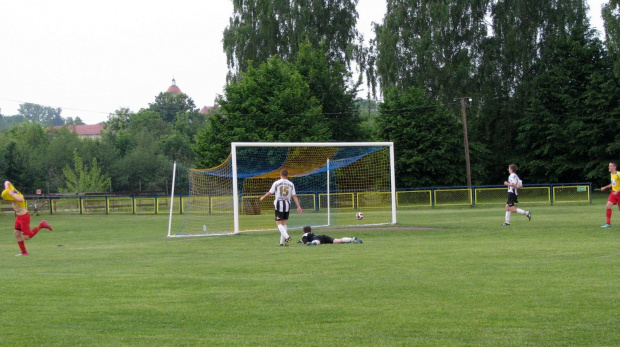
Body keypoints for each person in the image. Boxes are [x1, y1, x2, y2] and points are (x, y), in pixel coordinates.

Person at [2, 181, 52, 256]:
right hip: (19, 216)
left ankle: (41, 225)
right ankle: (24, 252)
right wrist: (7, 188)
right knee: (16, 234)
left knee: (26, 237)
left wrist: (12, 194)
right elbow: (7, 182)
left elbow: (20, 199)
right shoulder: (11, 189)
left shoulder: (18, 196)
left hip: (24, 216)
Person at [259, 169, 302, 246]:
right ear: (287, 175)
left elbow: (270, 192)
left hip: (279, 204)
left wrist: (263, 197)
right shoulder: (291, 184)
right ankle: (281, 243)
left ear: (280, 174)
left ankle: (287, 237)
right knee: (284, 223)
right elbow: (294, 196)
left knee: (278, 224)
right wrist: (298, 206)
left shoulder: (277, 183)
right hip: (287, 204)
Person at [601, 161, 619, 228]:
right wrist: (605, 187)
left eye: (610, 166)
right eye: (609, 166)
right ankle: (608, 223)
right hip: (613, 193)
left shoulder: (618, 174)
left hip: (618, 193)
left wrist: (617, 191)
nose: (609, 167)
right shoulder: (612, 174)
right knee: (608, 206)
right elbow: (613, 184)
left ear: (614, 167)